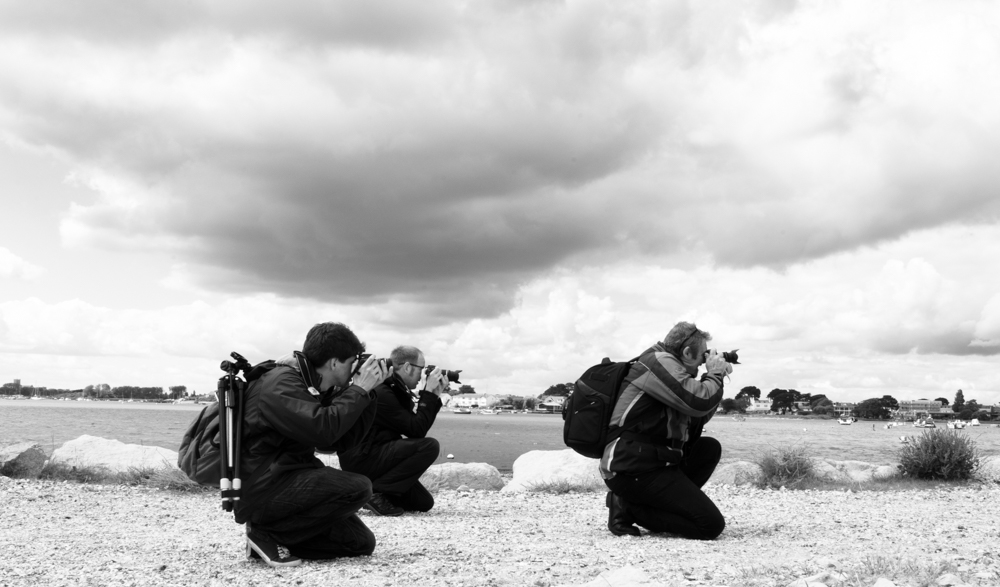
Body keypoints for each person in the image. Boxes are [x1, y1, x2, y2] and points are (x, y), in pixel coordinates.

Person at [234, 322, 391, 568]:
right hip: (262, 486)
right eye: (353, 362)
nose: (355, 369)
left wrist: (369, 393)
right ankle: (265, 532)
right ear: (334, 363)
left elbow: (340, 442)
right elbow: (323, 432)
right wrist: (359, 388)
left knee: (360, 543)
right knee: (358, 486)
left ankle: (273, 540)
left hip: (286, 477)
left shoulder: (312, 385)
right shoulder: (280, 382)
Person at [600, 321, 732, 540]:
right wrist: (714, 375)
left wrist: (715, 378)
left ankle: (658, 508)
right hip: (631, 468)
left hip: (656, 462)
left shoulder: (672, 370)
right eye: (701, 358)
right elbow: (698, 401)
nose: (701, 365)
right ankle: (626, 506)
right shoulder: (658, 362)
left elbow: (698, 414)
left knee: (708, 448)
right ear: (687, 352)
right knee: (709, 526)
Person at [338, 345, 449, 516]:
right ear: (407, 367)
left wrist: (433, 395)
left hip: (375, 454)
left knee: (423, 502)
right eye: (421, 369)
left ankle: (371, 494)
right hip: (362, 458)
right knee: (429, 446)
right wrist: (428, 393)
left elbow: (416, 425)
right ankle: (374, 493)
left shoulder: (394, 388)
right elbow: (416, 430)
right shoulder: (382, 391)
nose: (422, 375)